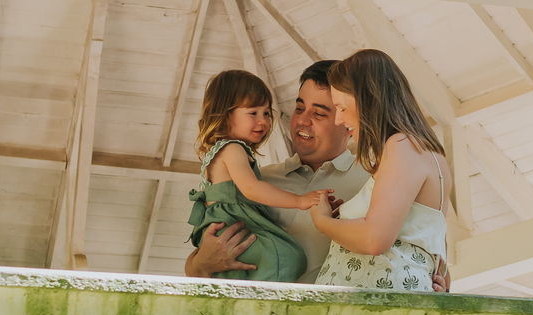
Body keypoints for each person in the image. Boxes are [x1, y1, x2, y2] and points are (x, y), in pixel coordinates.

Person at [184, 62, 451, 290]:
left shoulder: (378, 178)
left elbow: (429, 252)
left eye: (320, 113)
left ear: (345, 121)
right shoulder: (256, 182)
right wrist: (200, 263)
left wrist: (441, 282)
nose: (303, 120)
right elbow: (199, 260)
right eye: (299, 108)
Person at [307, 49, 450, 292]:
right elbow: (436, 257)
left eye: (341, 107)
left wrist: (322, 222)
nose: (338, 120)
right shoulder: (429, 155)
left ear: (367, 99)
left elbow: (374, 239)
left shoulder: (403, 146)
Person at [188, 70, 323, 283]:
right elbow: (251, 188)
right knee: (285, 256)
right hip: (232, 225)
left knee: (286, 256)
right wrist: (298, 200)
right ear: (225, 115)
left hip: (229, 225)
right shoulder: (232, 149)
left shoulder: (226, 149)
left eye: (267, 113)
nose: (263, 121)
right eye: (253, 113)